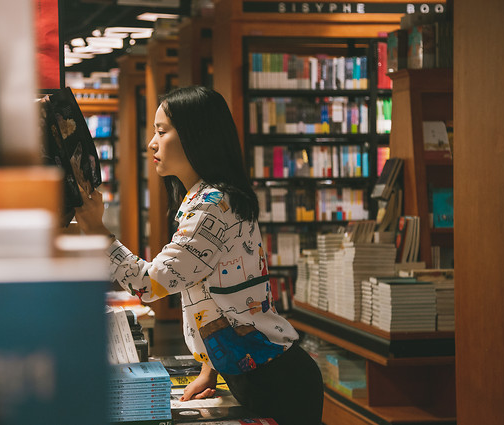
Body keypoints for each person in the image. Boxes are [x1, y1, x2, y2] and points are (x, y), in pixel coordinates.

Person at [75, 86, 323, 425]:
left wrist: (96, 230)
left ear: (196, 135)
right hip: (258, 372)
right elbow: (219, 291)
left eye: (161, 131)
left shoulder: (211, 207)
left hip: (275, 382)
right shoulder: (211, 198)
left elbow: (151, 284)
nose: (152, 143)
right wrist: (210, 367)